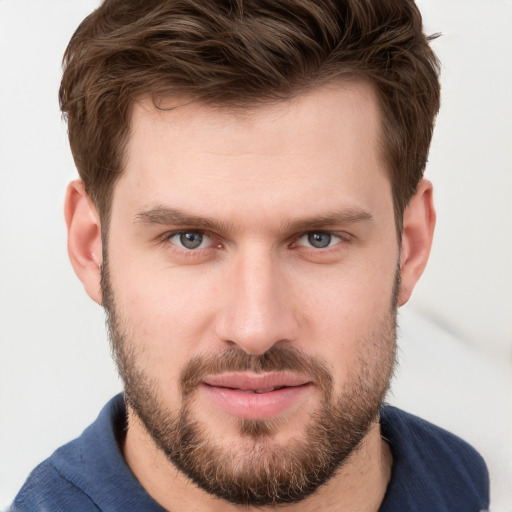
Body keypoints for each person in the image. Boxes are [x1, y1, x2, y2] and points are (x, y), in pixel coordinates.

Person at [11, 0, 490, 510]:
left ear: (410, 246)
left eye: (319, 238)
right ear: (91, 248)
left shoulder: (458, 477)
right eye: (189, 238)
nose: (256, 327)